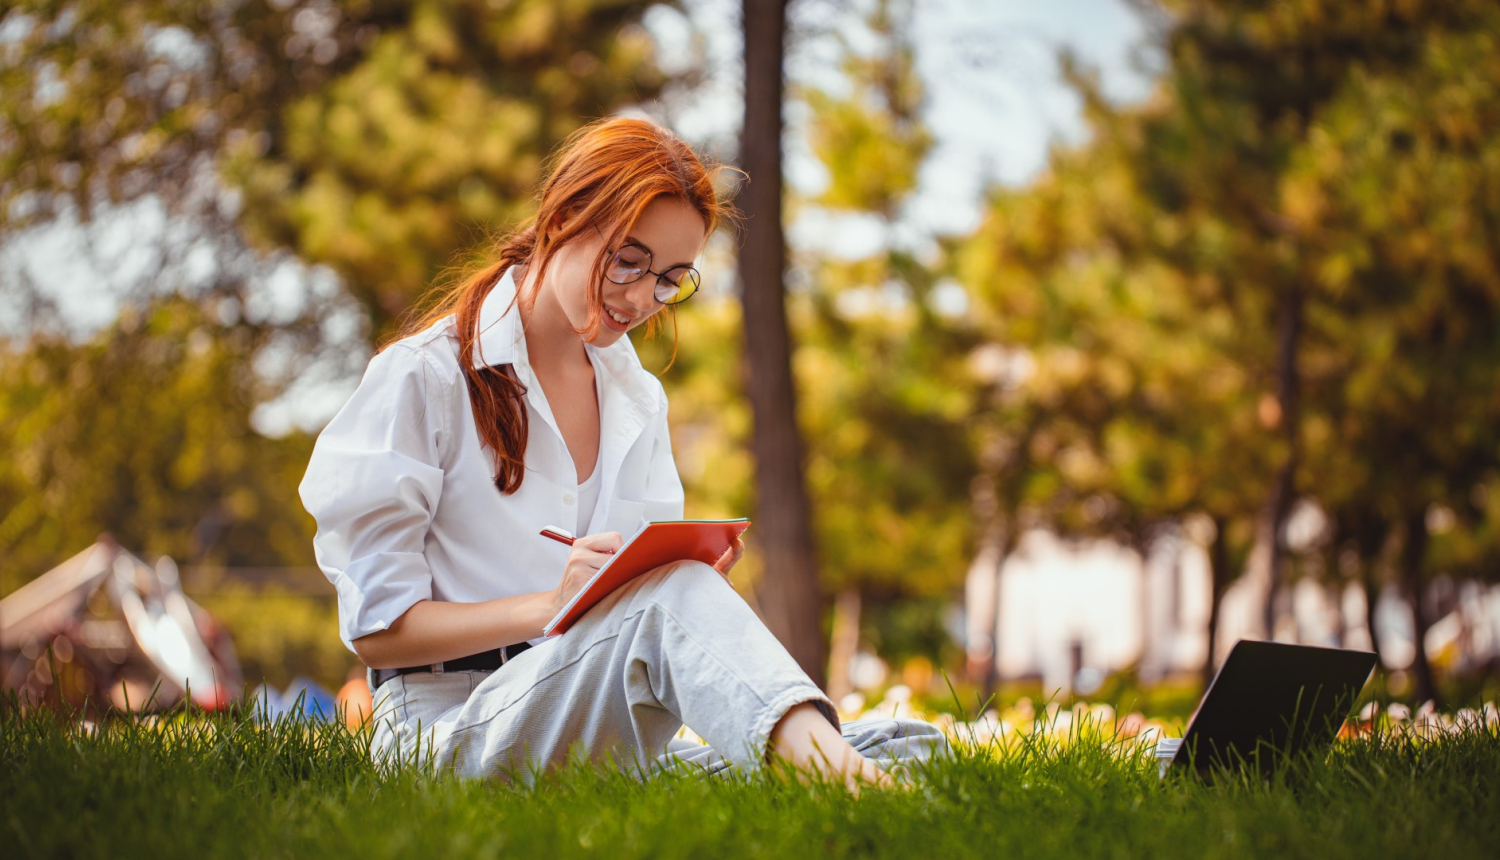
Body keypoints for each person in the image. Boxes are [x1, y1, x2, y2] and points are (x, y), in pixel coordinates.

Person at [299, 116, 948, 789]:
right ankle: (843, 785)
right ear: (565, 217)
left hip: (592, 719)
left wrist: (685, 583)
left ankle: (840, 767)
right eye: (629, 261)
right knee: (680, 610)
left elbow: (642, 617)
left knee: (910, 741)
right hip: (448, 728)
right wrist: (556, 603)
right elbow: (378, 631)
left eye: (670, 278)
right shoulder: (423, 376)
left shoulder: (635, 398)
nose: (642, 299)